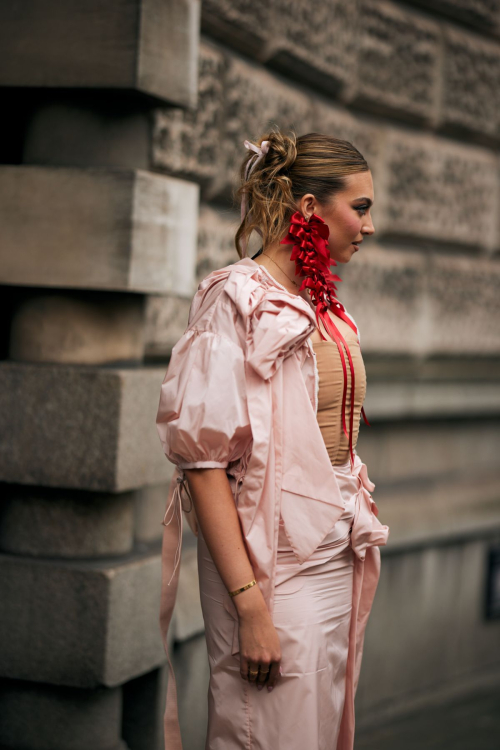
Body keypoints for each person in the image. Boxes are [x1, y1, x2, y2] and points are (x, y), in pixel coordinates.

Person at [156, 129, 390, 750]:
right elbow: (204, 463)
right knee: (269, 732)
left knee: (317, 726)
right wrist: (250, 607)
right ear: (310, 209)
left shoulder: (319, 303)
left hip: (334, 551)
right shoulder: (233, 298)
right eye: (360, 207)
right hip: (270, 571)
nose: (369, 226)